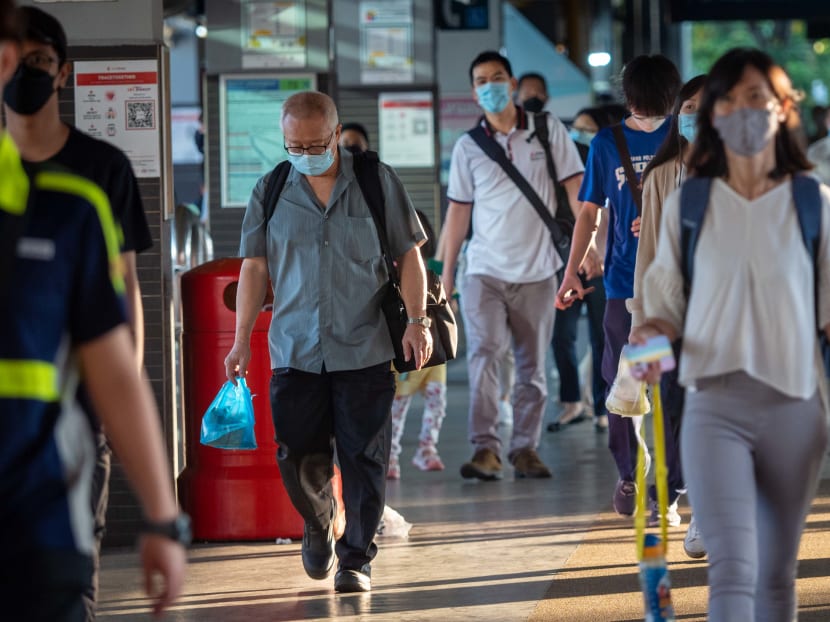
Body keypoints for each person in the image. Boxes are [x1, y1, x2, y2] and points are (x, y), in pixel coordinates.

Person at [0, 2, 187, 619]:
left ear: (61, 73)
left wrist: (162, 517)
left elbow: (122, 294)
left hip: (50, 468)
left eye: (36, 60)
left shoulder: (86, 189)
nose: (21, 71)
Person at [632, 48, 828, 620]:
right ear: (711, 114)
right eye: (731, 99)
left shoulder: (812, 203)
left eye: (758, 98)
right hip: (713, 405)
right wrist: (647, 335)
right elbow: (664, 301)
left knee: (775, 577)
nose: (744, 110)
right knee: (733, 571)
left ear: (785, 109)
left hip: (796, 405)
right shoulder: (689, 203)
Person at [224, 91, 430, 593]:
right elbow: (254, 267)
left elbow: (410, 257)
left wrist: (418, 321)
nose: (305, 153)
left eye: (316, 144)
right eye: (294, 144)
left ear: (337, 136)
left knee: (364, 458)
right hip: (294, 347)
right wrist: (240, 341)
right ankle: (319, 520)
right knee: (297, 456)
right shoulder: (271, 189)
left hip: (364, 347)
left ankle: (356, 558)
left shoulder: (376, 182)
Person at [442, 50, 584, 480]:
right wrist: (446, 275)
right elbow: (458, 214)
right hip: (483, 271)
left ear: (512, 81)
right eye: (481, 80)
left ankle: (525, 448)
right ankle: (485, 448)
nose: (490, 85)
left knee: (532, 367)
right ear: (473, 92)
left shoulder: (546, 130)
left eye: (497, 77)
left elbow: (577, 191)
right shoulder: (468, 147)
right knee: (485, 354)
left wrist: (588, 246)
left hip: (539, 271)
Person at [555, 54, 681, 516]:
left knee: (667, 385)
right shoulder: (608, 143)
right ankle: (631, 472)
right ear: (630, 98)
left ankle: (666, 484)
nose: (652, 109)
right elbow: (588, 211)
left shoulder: (682, 136)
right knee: (622, 386)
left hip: (674, 285)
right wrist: (573, 271)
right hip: (624, 284)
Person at [628, 75, 707, 557]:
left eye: (706, 106)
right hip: (672, 317)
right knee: (677, 415)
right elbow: (648, 251)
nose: (696, 115)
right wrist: (641, 318)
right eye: (689, 106)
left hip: (730, 320)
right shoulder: (662, 175)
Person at [548, 105, 615, 433]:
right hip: (570, 264)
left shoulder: (610, 165)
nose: (578, 135)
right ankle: (572, 401)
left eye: (586, 128)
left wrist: (600, 254)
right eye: (576, 128)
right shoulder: (564, 176)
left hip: (606, 265)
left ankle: (602, 407)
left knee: (602, 338)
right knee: (562, 336)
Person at [386, 210, 448, 478]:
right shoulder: (390, 270)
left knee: (437, 401)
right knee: (397, 406)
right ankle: (391, 456)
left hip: (432, 351)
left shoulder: (433, 268)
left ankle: (427, 449)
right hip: (406, 349)